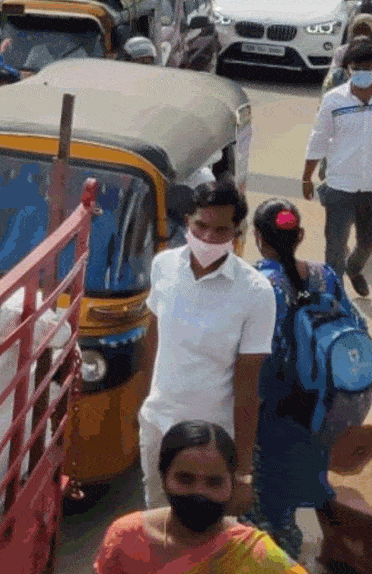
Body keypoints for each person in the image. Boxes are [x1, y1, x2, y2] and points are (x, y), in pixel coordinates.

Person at [138, 179, 275, 511]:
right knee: (157, 518)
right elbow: (153, 339)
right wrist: (143, 406)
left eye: (220, 230)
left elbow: (247, 390)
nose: (208, 238)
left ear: (236, 233)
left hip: (212, 440)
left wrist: (243, 475)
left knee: (205, 531)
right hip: (158, 425)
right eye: (201, 226)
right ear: (188, 222)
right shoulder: (164, 266)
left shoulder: (256, 293)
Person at [244, 199, 366, 559]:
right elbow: (356, 326)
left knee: (268, 505)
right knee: (301, 481)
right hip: (323, 404)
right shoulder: (325, 275)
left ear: (257, 237)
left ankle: (284, 555)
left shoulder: (257, 282)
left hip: (274, 408)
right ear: (300, 235)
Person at [95, 420, 306, 573]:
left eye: (214, 482)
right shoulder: (127, 538)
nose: (200, 492)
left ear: (232, 484)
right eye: (185, 479)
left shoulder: (256, 554)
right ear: (163, 477)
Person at [302, 39, 372, 296]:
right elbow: (318, 137)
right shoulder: (333, 100)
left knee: (367, 242)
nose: (361, 72)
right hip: (340, 183)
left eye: (367, 66)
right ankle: (335, 298)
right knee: (335, 245)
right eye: (356, 67)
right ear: (347, 68)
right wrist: (306, 177)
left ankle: (354, 268)